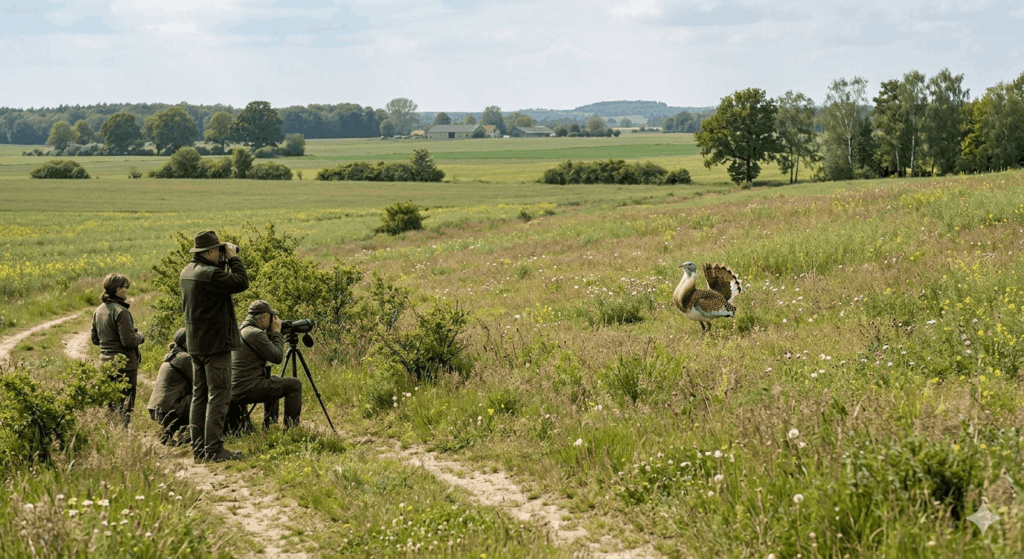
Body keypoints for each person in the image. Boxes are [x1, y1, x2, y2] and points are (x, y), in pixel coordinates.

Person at [180, 230, 249, 463]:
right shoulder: (210, 274)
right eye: (218, 250)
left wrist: (224, 260)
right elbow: (241, 282)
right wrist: (232, 258)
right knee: (219, 396)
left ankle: (198, 449)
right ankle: (214, 449)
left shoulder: (188, 272)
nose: (221, 253)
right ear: (209, 252)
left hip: (195, 344)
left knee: (199, 396)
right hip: (215, 344)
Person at [226, 300, 302, 433]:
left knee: (273, 380)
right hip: (246, 389)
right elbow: (277, 357)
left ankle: (269, 426)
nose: (273, 321)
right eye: (271, 317)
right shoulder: (255, 333)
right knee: (295, 384)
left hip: (233, 388)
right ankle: (291, 431)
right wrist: (277, 333)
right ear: (264, 317)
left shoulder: (240, 329)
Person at [91, 273, 145, 428]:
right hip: (124, 365)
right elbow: (129, 341)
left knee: (112, 404)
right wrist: (140, 336)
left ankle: (111, 434)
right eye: (126, 287)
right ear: (118, 290)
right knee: (126, 405)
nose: (127, 290)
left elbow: (95, 340)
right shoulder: (121, 312)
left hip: (105, 365)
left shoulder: (98, 311)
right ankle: (123, 434)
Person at [147, 328, 192, 446]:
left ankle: (167, 433)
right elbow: (198, 383)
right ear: (185, 343)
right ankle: (188, 434)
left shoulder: (171, 355)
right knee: (201, 399)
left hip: (155, 408)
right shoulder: (185, 358)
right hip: (168, 410)